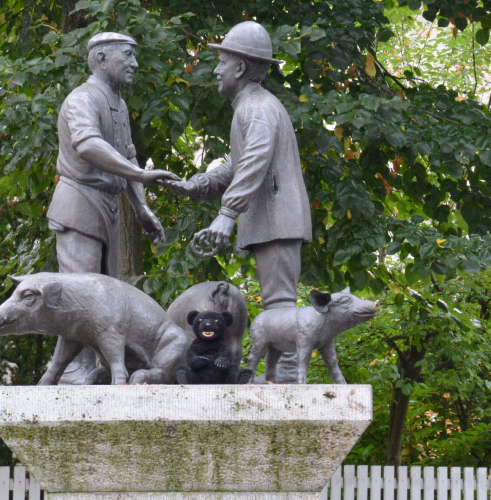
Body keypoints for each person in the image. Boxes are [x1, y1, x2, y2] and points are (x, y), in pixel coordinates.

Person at [165, 21, 312, 383]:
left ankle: (288, 376)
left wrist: (226, 214)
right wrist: (198, 184)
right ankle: (280, 374)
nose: (216, 69)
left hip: (278, 217)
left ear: (241, 68)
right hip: (273, 216)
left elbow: (254, 161)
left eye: (223, 61)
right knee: (276, 302)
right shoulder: (251, 107)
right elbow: (238, 163)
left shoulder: (257, 108)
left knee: (280, 303)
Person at [46, 32, 179, 384]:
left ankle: (105, 367)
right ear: (102, 58)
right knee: (79, 293)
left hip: (109, 209)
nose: (135, 64)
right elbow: (88, 144)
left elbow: (128, 154)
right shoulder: (82, 99)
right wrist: (139, 174)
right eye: (129, 56)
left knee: (105, 296)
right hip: (79, 204)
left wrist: (140, 207)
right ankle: (73, 371)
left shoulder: (118, 103)